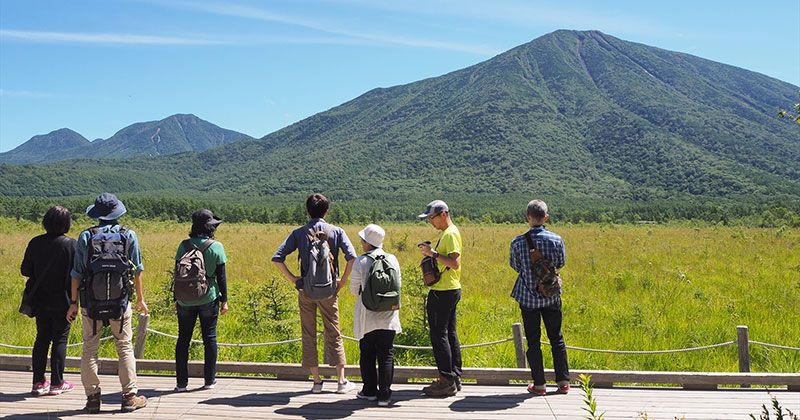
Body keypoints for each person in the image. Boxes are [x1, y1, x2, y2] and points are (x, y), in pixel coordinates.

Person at [66, 193, 149, 413]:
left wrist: (73, 302)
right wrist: (140, 299)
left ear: (98, 215)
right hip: (120, 303)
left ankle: (92, 399)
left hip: (90, 303)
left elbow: (76, 273)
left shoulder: (86, 236)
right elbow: (138, 271)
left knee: (90, 349)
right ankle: (129, 397)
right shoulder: (128, 235)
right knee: (124, 347)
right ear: (117, 213)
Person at [272, 193, 357, 394]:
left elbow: (277, 258)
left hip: (307, 292)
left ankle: (317, 382)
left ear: (307, 210)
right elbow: (352, 257)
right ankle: (341, 382)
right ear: (326, 211)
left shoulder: (299, 233)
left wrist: (295, 280)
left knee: (308, 334)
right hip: (329, 291)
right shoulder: (336, 231)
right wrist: (341, 282)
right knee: (334, 333)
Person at [509, 199, 570, 395]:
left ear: (528, 217)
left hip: (528, 298)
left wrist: (529, 274)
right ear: (546, 217)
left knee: (533, 341)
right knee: (556, 338)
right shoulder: (556, 239)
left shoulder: (517, 242)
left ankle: (540, 385)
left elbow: (515, 265)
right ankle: (563, 382)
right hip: (551, 296)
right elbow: (560, 263)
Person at [21, 206, 77, 396]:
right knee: (60, 339)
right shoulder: (71, 245)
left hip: (40, 299)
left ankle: (38, 382)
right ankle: (57, 383)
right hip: (64, 300)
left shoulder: (35, 242)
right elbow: (77, 276)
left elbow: (25, 271)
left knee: (42, 338)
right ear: (67, 223)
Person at [173, 210, 229, 392]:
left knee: (183, 340)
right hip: (208, 297)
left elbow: (177, 273)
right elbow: (221, 277)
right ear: (210, 227)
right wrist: (224, 301)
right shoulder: (216, 246)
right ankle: (209, 381)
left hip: (184, 301)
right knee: (209, 339)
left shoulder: (183, 245)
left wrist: (177, 297)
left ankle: (181, 384)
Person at [349, 224, 402, 407]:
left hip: (367, 315)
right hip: (389, 316)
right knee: (386, 355)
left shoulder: (361, 261)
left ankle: (369, 391)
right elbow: (398, 285)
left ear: (367, 242)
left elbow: (354, 290)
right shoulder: (392, 259)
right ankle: (385, 395)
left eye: (362, 240)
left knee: (367, 354)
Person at [417, 200, 463, 397]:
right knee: (450, 333)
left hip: (443, 291)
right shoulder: (449, 232)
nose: (431, 222)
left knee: (439, 334)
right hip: (450, 289)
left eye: (432, 217)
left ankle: (445, 380)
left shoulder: (450, 233)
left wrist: (432, 254)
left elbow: (454, 263)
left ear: (443, 214)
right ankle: (454, 376)